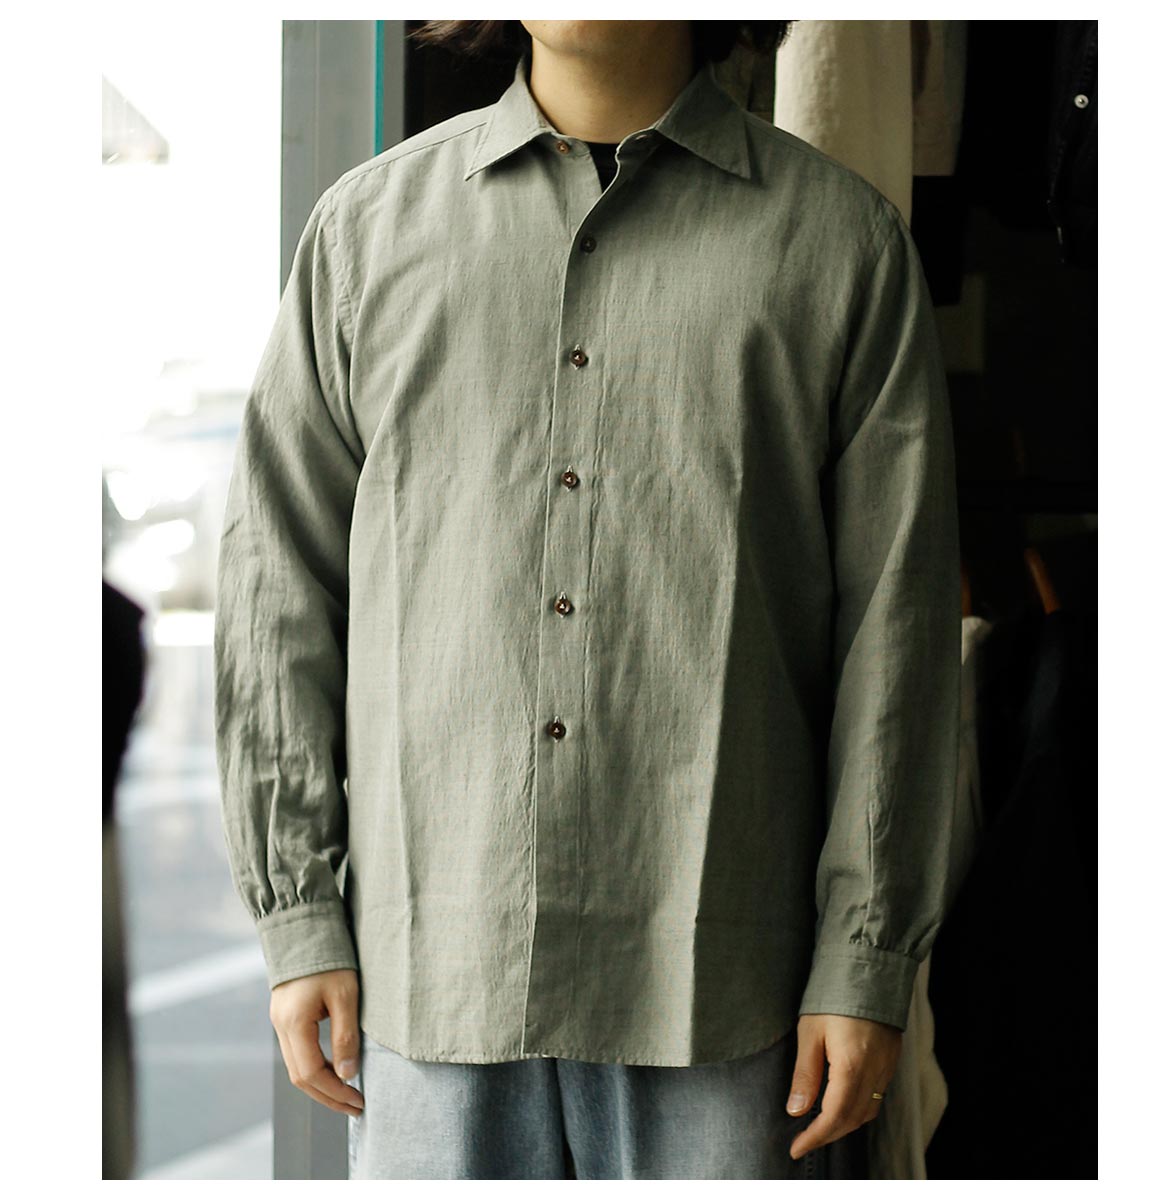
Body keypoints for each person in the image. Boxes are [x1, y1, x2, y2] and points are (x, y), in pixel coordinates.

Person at [214, 19, 963, 1180]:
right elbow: (277, 587)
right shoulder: (365, 234)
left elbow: (896, 636)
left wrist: (866, 959)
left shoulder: (840, 245)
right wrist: (298, 911)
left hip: (733, 1001)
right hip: (431, 978)